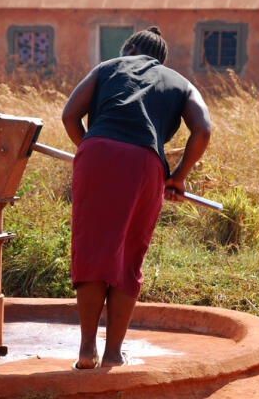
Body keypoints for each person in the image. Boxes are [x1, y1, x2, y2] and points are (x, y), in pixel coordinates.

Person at [61, 26, 211, 369]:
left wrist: (91, 149)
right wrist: (178, 178)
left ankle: (86, 351)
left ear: (129, 49)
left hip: (96, 153)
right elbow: (203, 129)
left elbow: (70, 115)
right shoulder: (179, 82)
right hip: (146, 163)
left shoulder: (107, 67)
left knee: (92, 251)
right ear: (162, 60)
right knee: (129, 257)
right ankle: (113, 353)